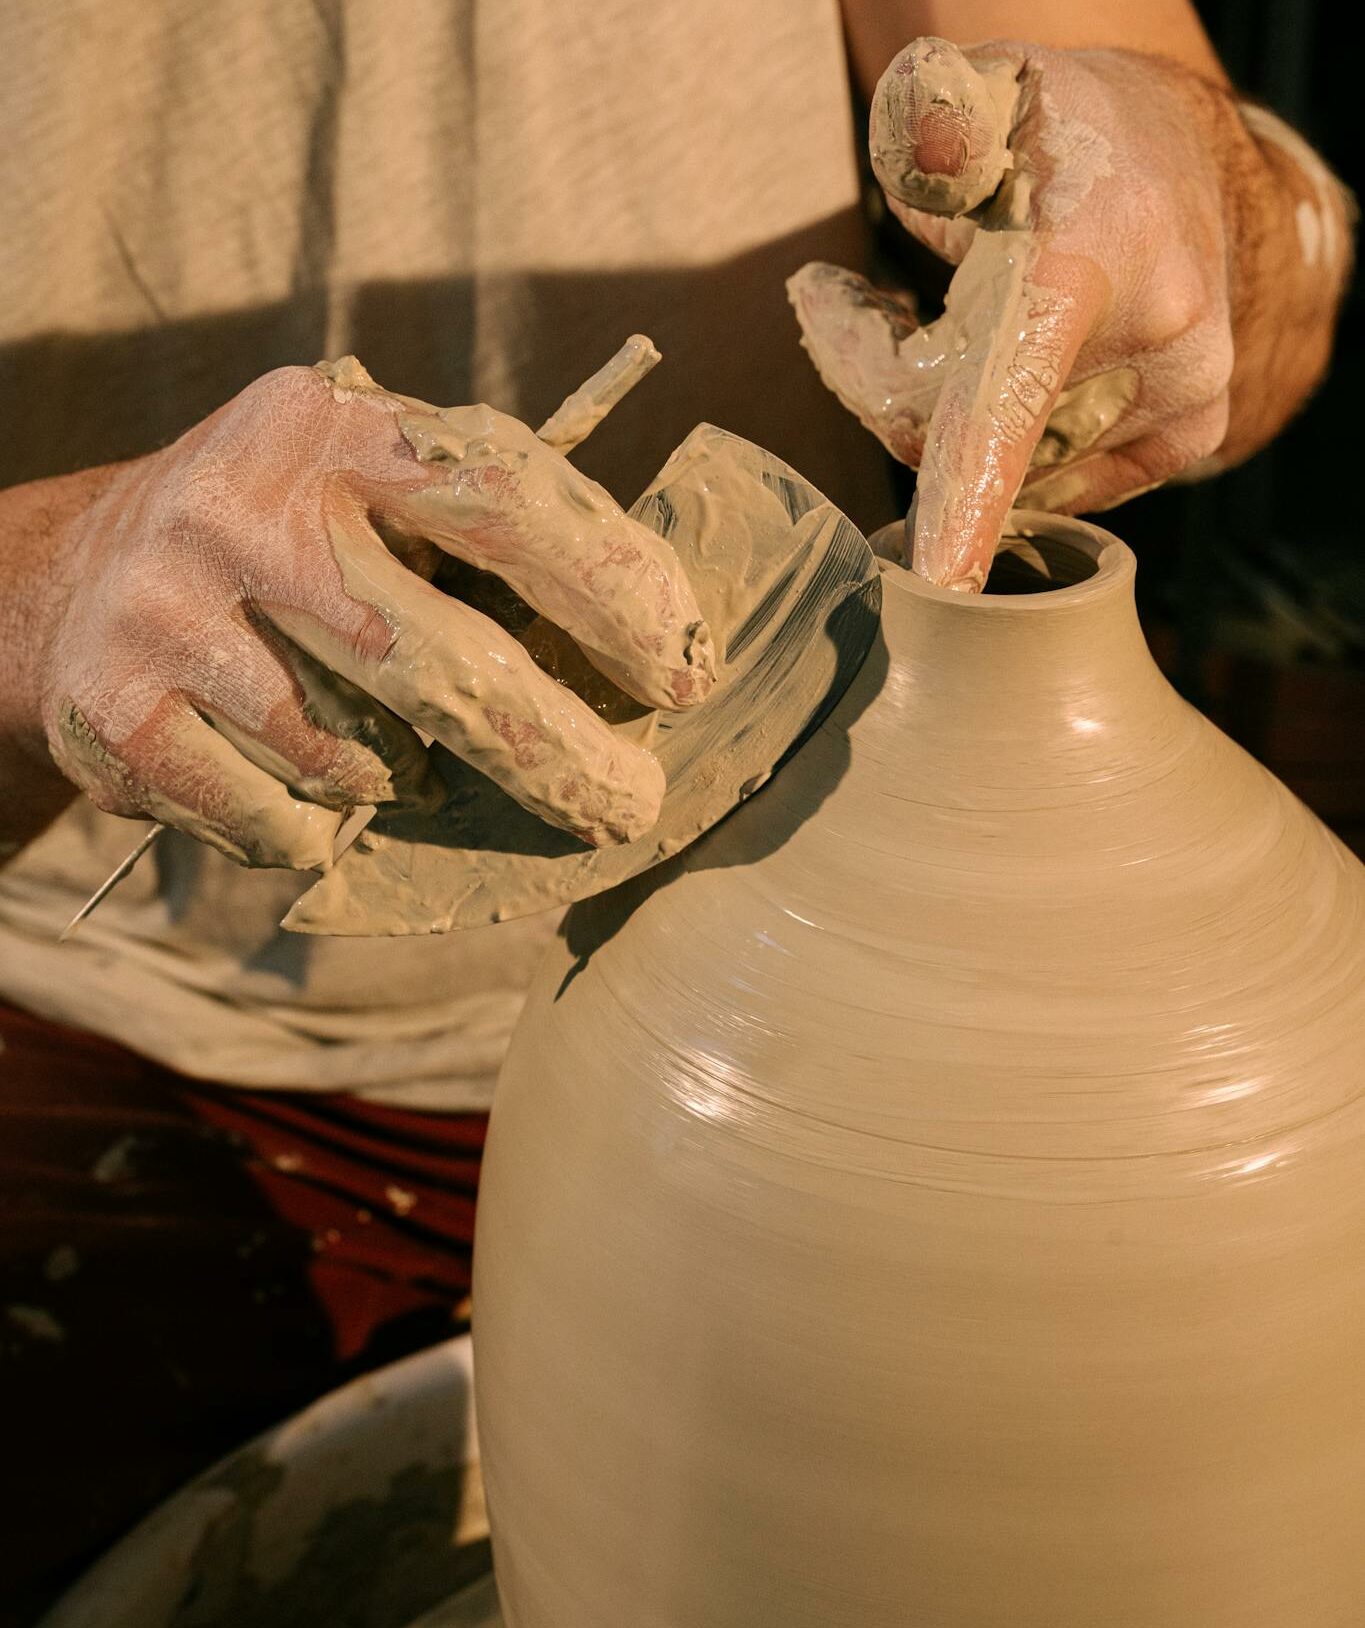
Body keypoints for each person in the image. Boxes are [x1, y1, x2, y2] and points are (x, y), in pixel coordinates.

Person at [0, 0, 1352, 1614]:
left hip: (809, 973)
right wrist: (40, 591)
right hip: (124, 1013)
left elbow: (1259, 269)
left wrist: (1195, 184)